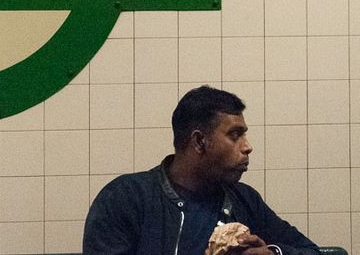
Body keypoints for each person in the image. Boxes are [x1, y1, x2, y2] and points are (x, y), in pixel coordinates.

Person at [83, 86, 319, 255]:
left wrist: (273, 252)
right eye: (235, 135)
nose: (247, 147)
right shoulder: (126, 198)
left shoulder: (244, 200)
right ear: (199, 141)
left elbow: (312, 251)